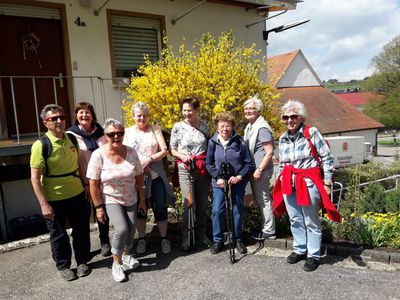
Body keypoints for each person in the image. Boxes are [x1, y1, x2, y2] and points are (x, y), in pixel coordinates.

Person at [273, 100, 341, 272]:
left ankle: (313, 255)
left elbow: (327, 157)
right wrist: (281, 180)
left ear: (301, 117)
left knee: (310, 219)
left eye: (293, 116)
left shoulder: (311, 133)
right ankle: (299, 249)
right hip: (289, 182)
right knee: (295, 218)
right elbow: (282, 163)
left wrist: (327, 182)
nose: (289, 120)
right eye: (285, 117)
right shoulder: (282, 138)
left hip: (308, 182)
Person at [30, 104, 91, 281]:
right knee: (59, 235)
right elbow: (35, 178)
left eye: (61, 117)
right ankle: (64, 266)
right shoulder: (40, 145)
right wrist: (44, 204)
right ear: (45, 123)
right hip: (54, 197)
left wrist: (85, 185)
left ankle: (82, 262)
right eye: (53, 119)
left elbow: (78, 163)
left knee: (81, 230)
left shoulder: (71, 138)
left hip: (77, 193)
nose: (59, 121)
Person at [87, 119, 146, 282]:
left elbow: (140, 177)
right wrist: (98, 207)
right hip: (110, 198)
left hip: (131, 197)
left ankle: (127, 256)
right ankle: (116, 263)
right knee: (121, 229)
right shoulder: (98, 155)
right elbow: (93, 184)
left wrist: (142, 199)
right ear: (105, 136)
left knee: (132, 227)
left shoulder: (131, 152)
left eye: (120, 133)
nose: (116, 136)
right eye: (111, 134)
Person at [123, 102, 176, 255]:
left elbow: (165, 150)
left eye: (145, 115)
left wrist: (150, 159)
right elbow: (124, 152)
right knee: (140, 207)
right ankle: (142, 239)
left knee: (160, 206)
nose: (142, 118)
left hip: (155, 174)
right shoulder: (127, 132)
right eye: (139, 115)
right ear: (133, 116)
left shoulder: (155, 129)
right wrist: (139, 165)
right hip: (136, 176)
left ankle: (164, 238)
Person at [206, 112, 255, 255]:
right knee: (217, 210)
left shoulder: (240, 141)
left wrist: (239, 176)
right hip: (219, 182)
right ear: (217, 127)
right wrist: (217, 176)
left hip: (237, 182)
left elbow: (248, 163)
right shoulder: (212, 142)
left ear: (232, 126)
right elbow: (208, 163)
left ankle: (238, 239)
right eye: (222, 125)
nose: (225, 128)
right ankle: (218, 240)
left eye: (228, 125)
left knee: (237, 211)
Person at [66, 102, 111, 257]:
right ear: (76, 116)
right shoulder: (70, 135)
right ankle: (84, 248)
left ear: (92, 115)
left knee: (102, 210)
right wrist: (84, 183)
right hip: (83, 180)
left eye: (87, 112)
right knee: (83, 215)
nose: (84, 116)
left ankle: (105, 241)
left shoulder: (101, 132)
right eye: (81, 113)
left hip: (102, 179)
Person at [170, 96, 211, 250]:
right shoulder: (177, 127)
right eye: (184, 110)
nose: (187, 113)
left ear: (196, 110)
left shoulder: (204, 126)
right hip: (185, 169)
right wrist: (181, 156)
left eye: (190, 110)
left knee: (201, 204)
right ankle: (186, 237)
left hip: (202, 169)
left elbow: (209, 146)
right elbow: (172, 149)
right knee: (189, 204)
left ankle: (201, 234)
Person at [243, 95, 276, 240]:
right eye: (246, 108)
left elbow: (269, 152)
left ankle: (269, 230)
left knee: (263, 199)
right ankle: (266, 227)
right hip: (255, 168)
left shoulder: (262, 128)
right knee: (260, 199)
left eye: (252, 108)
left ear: (259, 110)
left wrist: (259, 169)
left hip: (260, 170)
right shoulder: (251, 127)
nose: (248, 111)